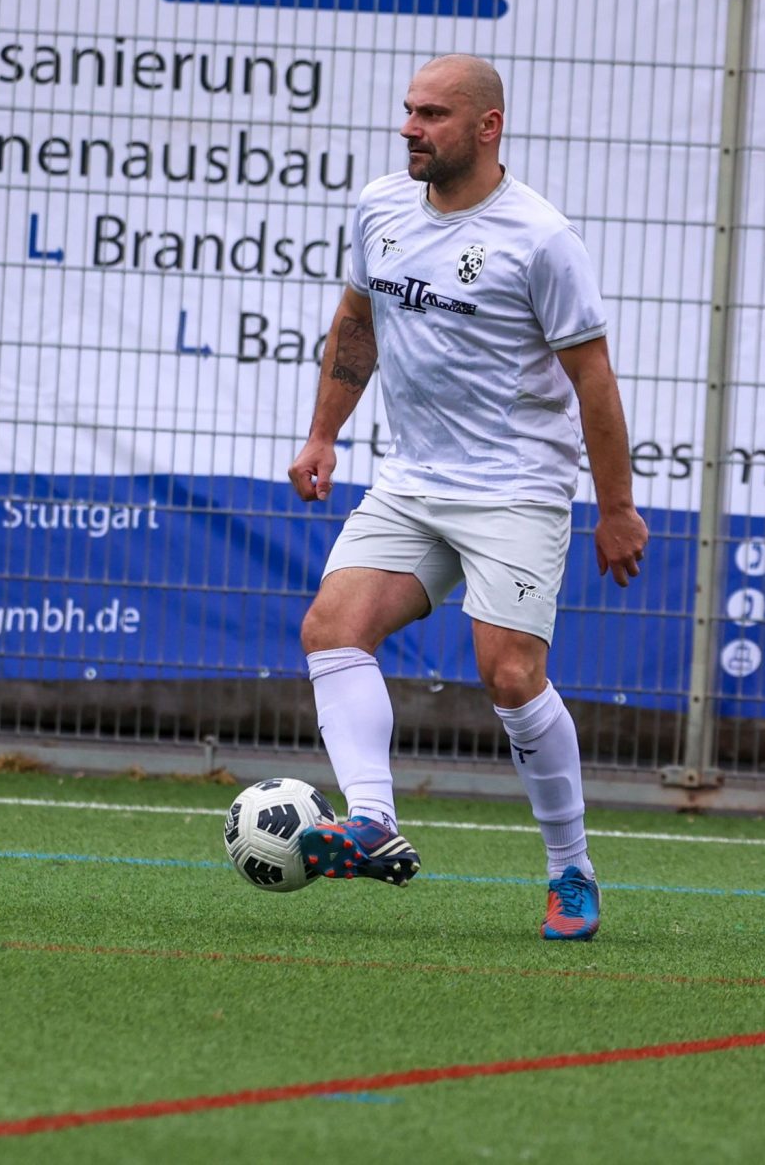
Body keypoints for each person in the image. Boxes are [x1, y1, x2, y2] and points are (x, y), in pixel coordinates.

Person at [288, 54, 648, 940]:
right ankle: (370, 820)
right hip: (412, 482)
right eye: (408, 110)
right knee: (331, 627)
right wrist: (324, 433)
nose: (411, 127)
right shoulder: (380, 207)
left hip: (516, 490)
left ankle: (570, 870)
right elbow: (357, 323)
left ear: (486, 127)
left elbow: (592, 381)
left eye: (434, 115)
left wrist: (615, 507)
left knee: (511, 675)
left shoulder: (540, 238)